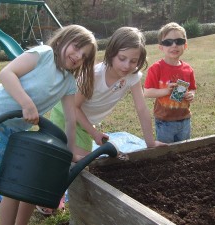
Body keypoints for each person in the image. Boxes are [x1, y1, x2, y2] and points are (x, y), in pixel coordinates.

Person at [0, 24, 97, 225]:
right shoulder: (44, 54)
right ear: (62, 40)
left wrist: (70, 150)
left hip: (13, 130)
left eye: (84, 56)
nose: (77, 56)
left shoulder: (68, 82)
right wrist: (26, 103)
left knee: (17, 182)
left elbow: (70, 119)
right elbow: (7, 74)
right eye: (76, 47)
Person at [50, 26, 167, 160]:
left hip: (85, 124)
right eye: (122, 58)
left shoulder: (132, 76)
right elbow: (74, 107)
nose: (127, 66)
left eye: (133, 61)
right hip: (65, 116)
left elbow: (141, 109)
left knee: (85, 163)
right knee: (72, 159)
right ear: (111, 53)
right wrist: (94, 133)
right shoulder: (94, 75)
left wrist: (150, 142)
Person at [143, 22, 197, 143]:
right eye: (168, 42)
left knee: (184, 149)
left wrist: (191, 94)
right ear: (161, 47)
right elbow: (147, 92)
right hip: (164, 121)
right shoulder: (156, 68)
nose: (174, 45)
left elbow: (192, 88)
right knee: (166, 152)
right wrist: (166, 91)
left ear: (185, 45)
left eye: (179, 41)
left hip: (184, 119)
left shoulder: (188, 69)